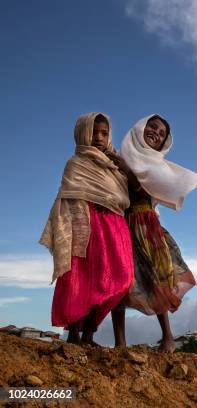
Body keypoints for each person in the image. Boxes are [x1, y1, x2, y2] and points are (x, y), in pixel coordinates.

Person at [110, 114, 197, 352]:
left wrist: (128, 173)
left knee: (158, 278)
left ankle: (168, 338)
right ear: (141, 128)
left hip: (147, 226)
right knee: (120, 282)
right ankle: (120, 343)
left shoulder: (155, 165)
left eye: (161, 133)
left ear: (164, 143)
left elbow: (143, 189)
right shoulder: (120, 157)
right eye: (152, 127)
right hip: (120, 224)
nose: (156, 133)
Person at [40, 112, 133, 345]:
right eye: (93, 132)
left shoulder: (115, 166)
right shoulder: (75, 163)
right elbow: (68, 197)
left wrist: (121, 164)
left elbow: (124, 194)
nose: (98, 138)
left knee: (118, 277)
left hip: (114, 226)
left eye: (104, 133)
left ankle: (90, 334)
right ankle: (74, 334)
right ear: (82, 133)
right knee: (80, 277)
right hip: (85, 224)